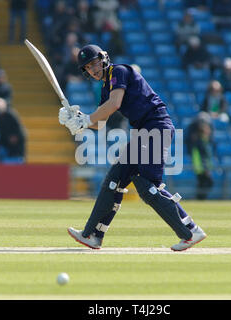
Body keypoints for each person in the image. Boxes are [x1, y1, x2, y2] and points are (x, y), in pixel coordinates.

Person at [60, 44, 207, 251]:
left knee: (148, 187)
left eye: (94, 63)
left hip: (156, 126)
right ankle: (92, 235)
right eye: (87, 67)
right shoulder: (105, 87)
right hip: (143, 131)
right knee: (114, 180)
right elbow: (100, 123)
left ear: (104, 58)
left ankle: (190, 231)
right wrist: (75, 120)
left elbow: (115, 104)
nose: (92, 69)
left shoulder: (119, 71)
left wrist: (86, 119)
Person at [188, 120, 214, 200]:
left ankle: (200, 199)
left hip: (202, 167)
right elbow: (201, 157)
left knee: (203, 184)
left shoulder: (204, 141)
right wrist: (205, 168)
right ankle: (200, 199)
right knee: (206, 183)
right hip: (201, 167)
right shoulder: (200, 142)